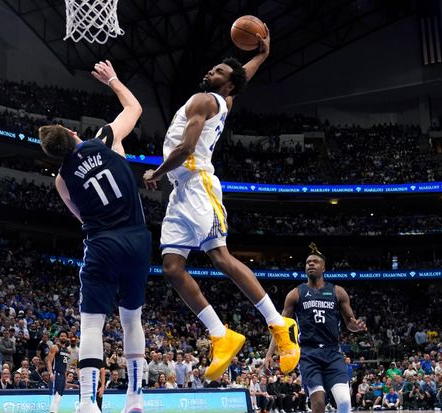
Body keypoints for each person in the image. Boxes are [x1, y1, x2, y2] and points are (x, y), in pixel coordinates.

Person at [142, 23, 299, 380]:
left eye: (218, 72)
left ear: (226, 85)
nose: (210, 71)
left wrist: (156, 172)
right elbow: (242, 77)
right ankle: (221, 334)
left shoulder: (203, 100)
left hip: (198, 184)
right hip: (181, 192)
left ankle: (279, 325)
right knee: (172, 268)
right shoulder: (224, 100)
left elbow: (186, 148)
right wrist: (262, 54)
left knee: (220, 257)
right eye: (213, 68)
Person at [38, 60, 150, 413]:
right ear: (72, 133)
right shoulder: (105, 139)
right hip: (137, 239)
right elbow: (135, 108)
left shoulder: (61, 180)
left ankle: (87, 401)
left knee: (91, 324)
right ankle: (135, 397)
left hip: (102, 243)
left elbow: (81, 217)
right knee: (132, 319)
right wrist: (113, 80)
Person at [267, 244, 367, 413]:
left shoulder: (337, 291)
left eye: (315, 262)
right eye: (308, 262)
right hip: (309, 354)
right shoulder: (295, 293)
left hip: (333, 352)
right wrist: (269, 354)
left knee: (344, 402)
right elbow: (280, 327)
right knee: (319, 402)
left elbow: (350, 323)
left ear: (324, 267)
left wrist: (356, 326)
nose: (311, 264)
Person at [45, 330, 71, 413]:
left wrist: (66, 378)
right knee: (55, 395)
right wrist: (51, 373)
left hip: (63, 374)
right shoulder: (55, 347)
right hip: (56, 373)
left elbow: (65, 365)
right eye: (62, 336)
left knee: (59, 396)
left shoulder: (67, 350)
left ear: (67, 338)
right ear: (58, 337)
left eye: (65, 336)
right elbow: (49, 361)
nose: (63, 337)